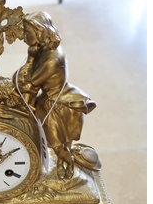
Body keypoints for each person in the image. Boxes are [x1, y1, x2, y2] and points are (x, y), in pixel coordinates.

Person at [14, 11, 96, 179]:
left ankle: (71, 166)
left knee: (57, 144)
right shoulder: (45, 51)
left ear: (39, 31)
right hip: (49, 99)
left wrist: (30, 59)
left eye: (27, 32)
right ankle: (62, 165)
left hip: (57, 104)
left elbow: (29, 84)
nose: (24, 37)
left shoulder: (51, 60)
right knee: (60, 143)